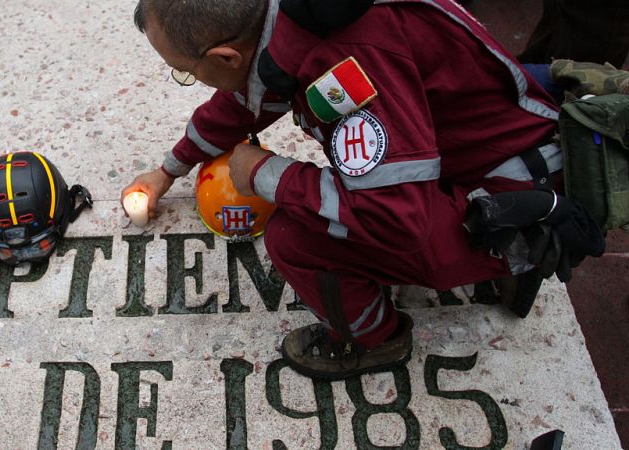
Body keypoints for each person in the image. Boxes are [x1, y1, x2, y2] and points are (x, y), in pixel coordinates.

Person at [122, 0, 603, 380]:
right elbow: (246, 98)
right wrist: (170, 169)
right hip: (478, 151)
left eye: (186, 71)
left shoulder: (345, 63)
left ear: (225, 55)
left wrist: (267, 173)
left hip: (513, 199)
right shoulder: (297, 19)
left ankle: (375, 339)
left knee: (294, 237)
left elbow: (394, 219)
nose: (191, 79)